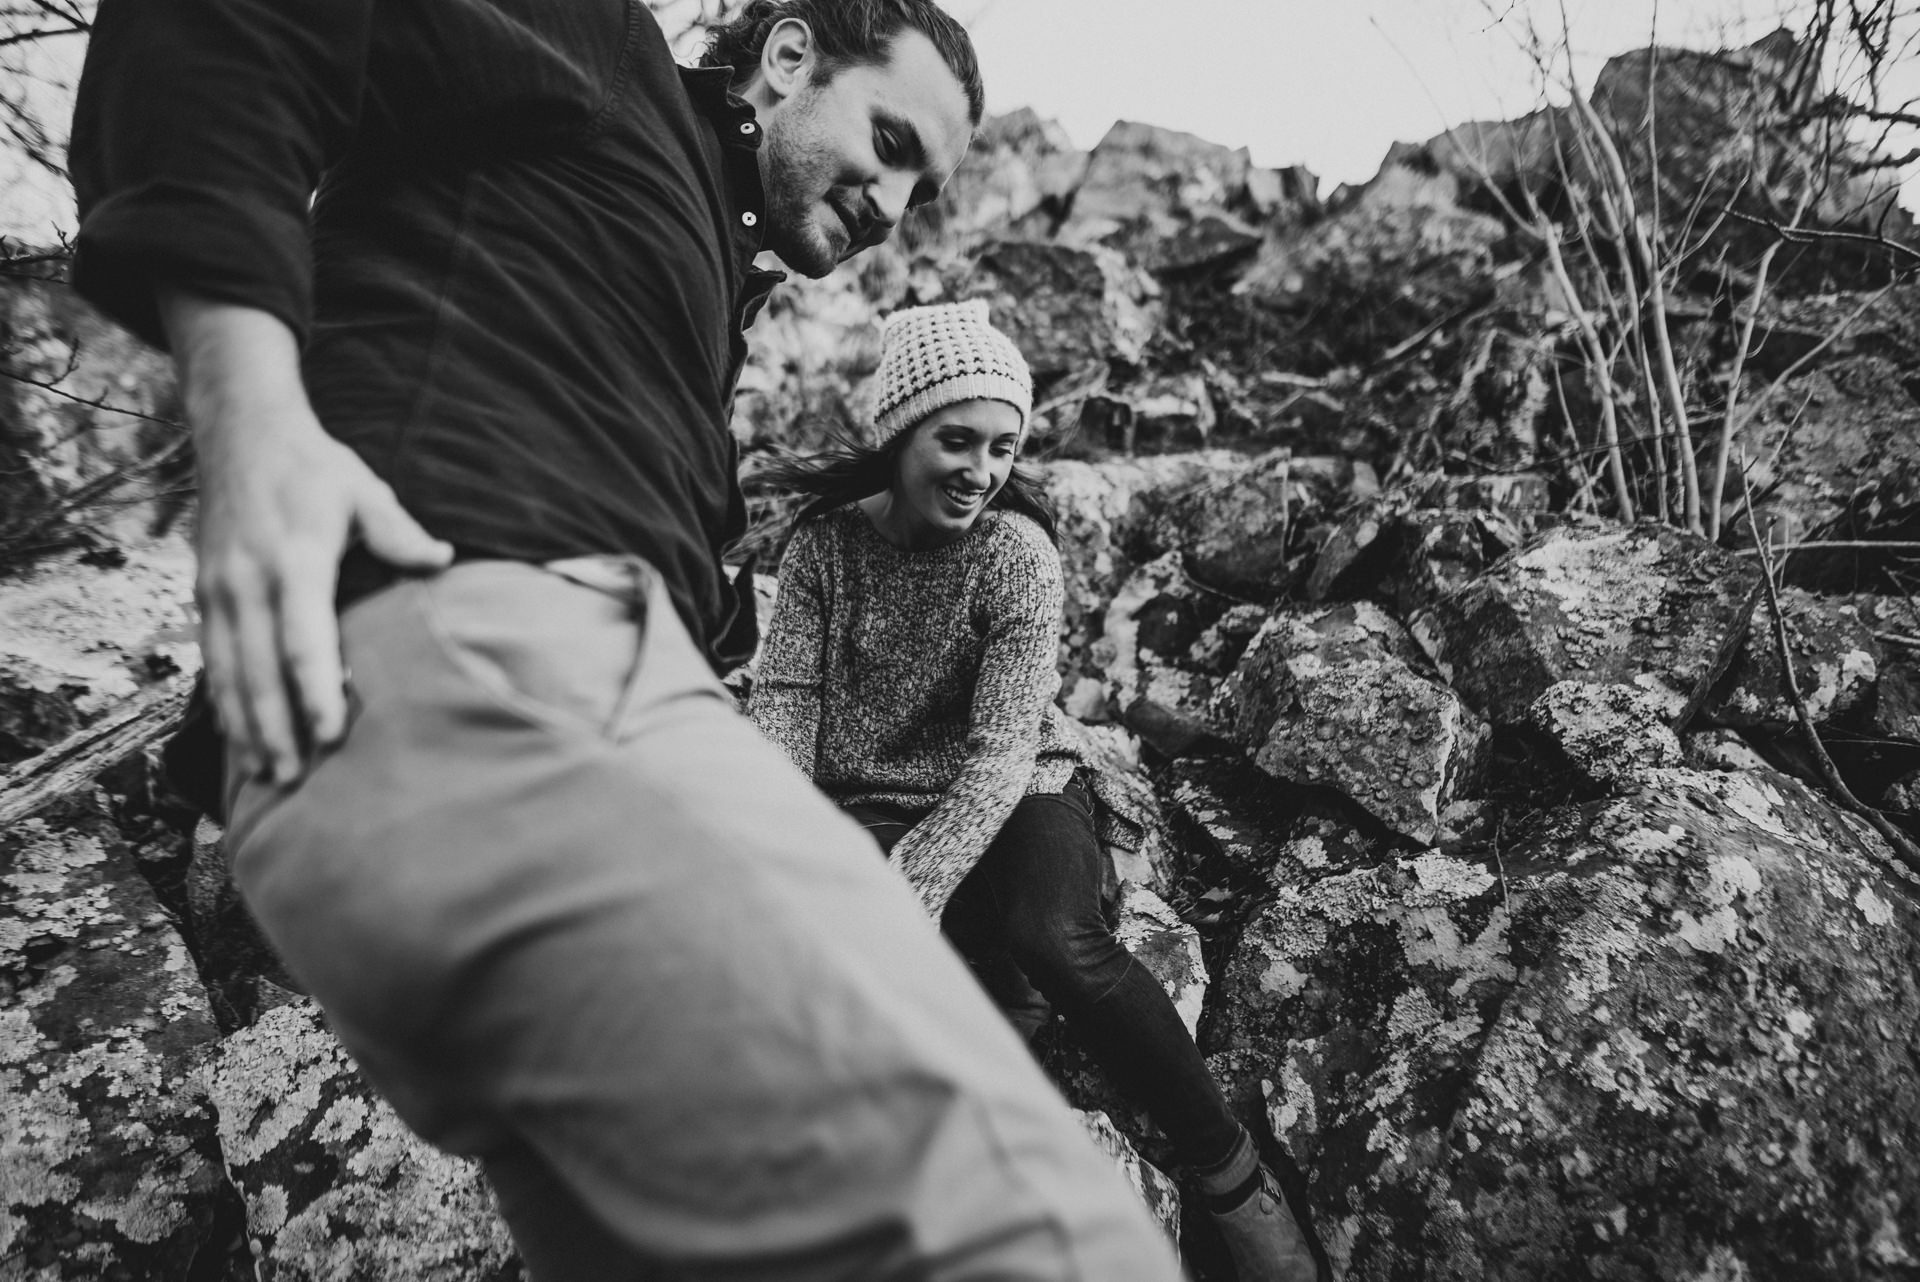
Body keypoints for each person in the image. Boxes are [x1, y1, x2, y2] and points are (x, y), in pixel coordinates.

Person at [67, 3, 1186, 1278]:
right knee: (1052, 1242)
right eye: (889, 139)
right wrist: (249, 410)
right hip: (487, 660)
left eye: (923, 187)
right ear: (787, 57)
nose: (895, 199)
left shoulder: (669, 264)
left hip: (417, 760)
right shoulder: (602, 50)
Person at [749, 300, 1326, 1282]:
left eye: (1003, 446)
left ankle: (1234, 1179)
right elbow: (783, 717)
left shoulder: (1018, 552)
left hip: (1018, 788)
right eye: (957, 439)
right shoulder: (824, 548)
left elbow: (1001, 752)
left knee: (1055, 935)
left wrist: (910, 886)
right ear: (897, 432)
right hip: (865, 799)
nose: (981, 469)